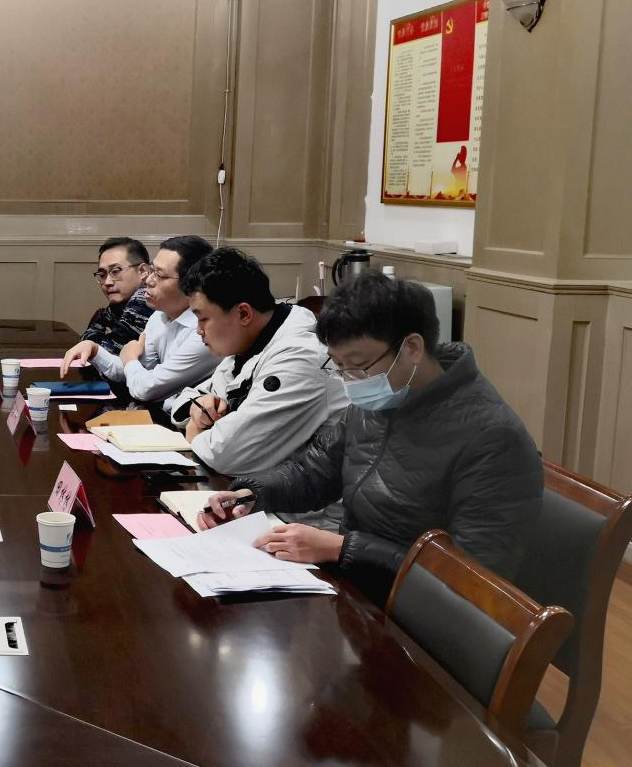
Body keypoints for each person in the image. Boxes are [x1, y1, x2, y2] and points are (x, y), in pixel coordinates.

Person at [198, 272, 542, 606]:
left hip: (417, 616)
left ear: (412, 348)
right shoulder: (382, 397)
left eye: (359, 365)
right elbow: (314, 470)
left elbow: (472, 576)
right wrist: (252, 494)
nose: (350, 380)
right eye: (339, 367)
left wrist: (341, 548)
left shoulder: (492, 437)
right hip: (357, 588)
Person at [168, 247, 346, 475]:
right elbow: (185, 401)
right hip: (259, 485)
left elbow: (226, 454)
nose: (198, 330)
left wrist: (195, 431)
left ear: (243, 313)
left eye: (203, 318)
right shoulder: (249, 343)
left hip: (311, 495)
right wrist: (199, 408)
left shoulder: (301, 357)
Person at [84, 235, 221, 415]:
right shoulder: (159, 316)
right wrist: (94, 350)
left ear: (191, 284)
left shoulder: (205, 331)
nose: (148, 280)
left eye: (159, 275)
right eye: (152, 271)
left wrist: (130, 359)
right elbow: (129, 372)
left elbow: (146, 389)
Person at [60, 237, 154, 369]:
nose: (107, 282)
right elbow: (86, 341)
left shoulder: (145, 299)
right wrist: (96, 345)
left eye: (115, 271)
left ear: (143, 271)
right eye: (102, 274)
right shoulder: (119, 304)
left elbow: (107, 353)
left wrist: (99, 343)